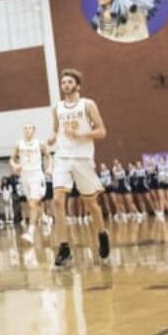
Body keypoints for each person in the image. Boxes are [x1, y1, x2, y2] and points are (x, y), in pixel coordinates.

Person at [48, 69, 110, 267]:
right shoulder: (57, 108)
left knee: (91, 204)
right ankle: (64, 248)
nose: (65, 85)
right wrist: (52, 138)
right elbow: (56, 131)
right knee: (57, 201)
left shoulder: (88, 105)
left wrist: (82, 135)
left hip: (82, 158)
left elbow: (102, 131)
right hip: (62, 157)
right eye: (63, 82)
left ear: (77, 85)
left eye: (69, 82)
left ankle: (102, 234)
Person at [11, 124, 50, 243]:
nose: (28, 130)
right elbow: (11, 158)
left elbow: (48, 156)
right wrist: (14, 165)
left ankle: (30, 233)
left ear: (34, 130)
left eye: (30, 128)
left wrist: (49, 168)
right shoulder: (18, 143)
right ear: (24, 131)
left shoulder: (40, 143)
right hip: (24, 175)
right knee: (32, 203)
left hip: (36, 174)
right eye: (26, 128)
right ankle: (45, 217)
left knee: (32, 204)